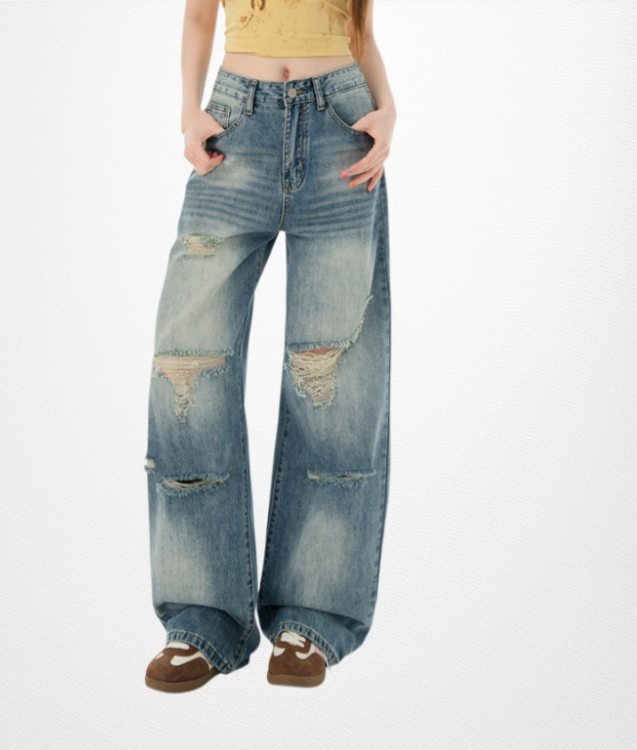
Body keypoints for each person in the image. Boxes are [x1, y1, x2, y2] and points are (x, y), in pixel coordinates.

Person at [144, 0, 396, 692]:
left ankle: (310, 619)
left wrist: (388, 112)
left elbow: (360, 30)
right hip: (237, 124)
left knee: (335, 384)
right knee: (186, 365)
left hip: (342, 130)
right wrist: (190, 111)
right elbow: (200, 16)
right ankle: (201, 619)